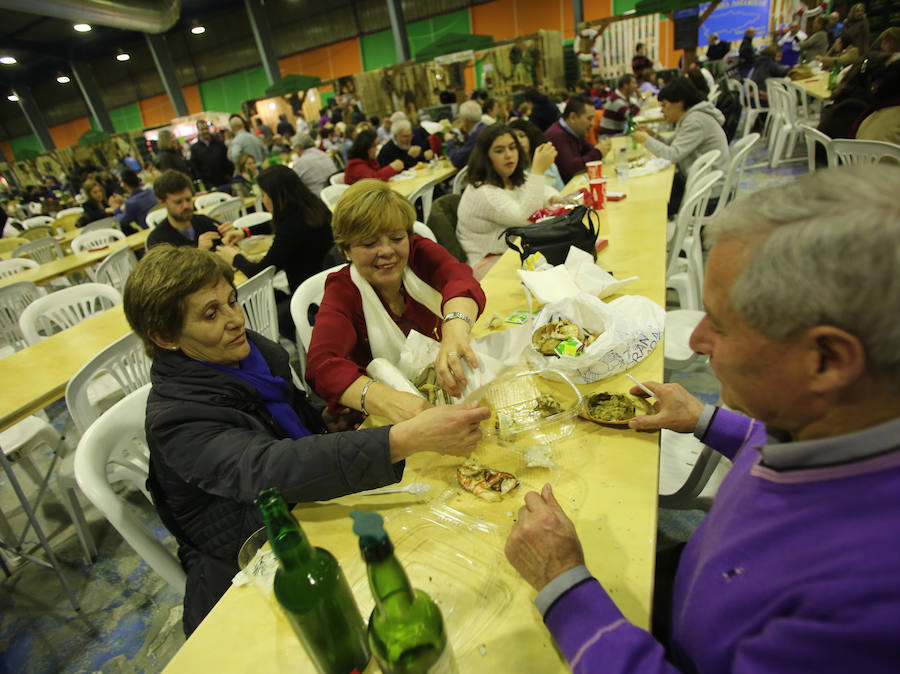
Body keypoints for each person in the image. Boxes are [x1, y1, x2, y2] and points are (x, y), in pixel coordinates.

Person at [504, 164, 900, 674]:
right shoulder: (838, 422)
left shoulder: (865, 603)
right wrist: (705, 419)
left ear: (825, 360)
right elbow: (785, 441)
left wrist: (563, 583)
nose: (695, 341)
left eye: (724, 324)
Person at [124, 245, 490, 635]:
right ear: (165, 338)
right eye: (211, 314)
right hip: (251, 560)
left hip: (306, 510)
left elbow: (283, 422)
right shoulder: (177, 418)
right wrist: (401, 439)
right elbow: (271, 467)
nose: (235, 319)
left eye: (232, 301)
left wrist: (322, 420)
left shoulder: (248, 356)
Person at [305, 179, 486, 422]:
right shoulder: (343, 291)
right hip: (382, 416)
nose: (387, 251)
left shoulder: (418, 253)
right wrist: (392, 399)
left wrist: (454, 331)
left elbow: (461, 280)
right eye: (369, 243)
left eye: (397, 238)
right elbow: (321, 365)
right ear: (346, 250)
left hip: (444, 386)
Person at [456, 123, 559, 278]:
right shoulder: (483, 192)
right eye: (499, 151)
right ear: (485, 156)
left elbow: (540, 190)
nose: (509, 155)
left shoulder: (511, 177)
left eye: (512, 147)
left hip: (514, 251)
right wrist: (537, 170)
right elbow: (526, 218)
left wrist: (553, 198)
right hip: (487, 264)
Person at [633, 77, 730, 218]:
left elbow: (673, 155)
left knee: (656, 205)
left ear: (679, 103)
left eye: (664, 105)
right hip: (703, 182)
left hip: (710, 193)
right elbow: (673, 145)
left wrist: (646, 140)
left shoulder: (695, 121)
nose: (662, 111)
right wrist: (653, 136)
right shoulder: (690, 117)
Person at [146, 170, 220, 250]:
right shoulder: (157, 242)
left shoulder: (204, 222)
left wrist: (231, 234)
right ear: (162, 202)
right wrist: (200, 253)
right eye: (178, 202)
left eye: (188, 199)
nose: (186, 206)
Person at [545, 97, 612, 184]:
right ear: (572, 117)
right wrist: (598, 152)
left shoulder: (574, 132)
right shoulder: (557, 135)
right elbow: (571, 169)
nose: (593, 123)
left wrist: (600, 149)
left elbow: (589, 149)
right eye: (589, 118)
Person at [508, 118, 565, 191]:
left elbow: (562, 192)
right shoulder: (515, 173)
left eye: (522, 136)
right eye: (514, 139)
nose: (519, 141)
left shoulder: (549, 165)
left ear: (531, 138)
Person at [190, 120, 233, 192]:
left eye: (206, 128)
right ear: (198, 131)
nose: (205, 131)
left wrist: (229, 175)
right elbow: (195, 167)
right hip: (209, 184)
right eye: (202, 129)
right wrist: (204, 181)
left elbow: (227, 160)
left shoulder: (219, 143)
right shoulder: (194, 148)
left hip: (224, 181)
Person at [289, 132, 335, 196]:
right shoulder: (323, 154)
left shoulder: (300, 163)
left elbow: (292, 187)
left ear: (298, 147)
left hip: (320, 198)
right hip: (335, 191)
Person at [112, 169, 157, 234]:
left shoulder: (131, 203)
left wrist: (116, 209)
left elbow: (121, 222)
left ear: (124, 184)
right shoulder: (151, 191)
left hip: (151, 232)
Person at [445, 100, 486, 169]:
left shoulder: (477, 135)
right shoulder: (482, 128)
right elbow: (465, 153)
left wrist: (449, 141)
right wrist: (466, 135)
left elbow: (458, 161)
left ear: (465, 120)